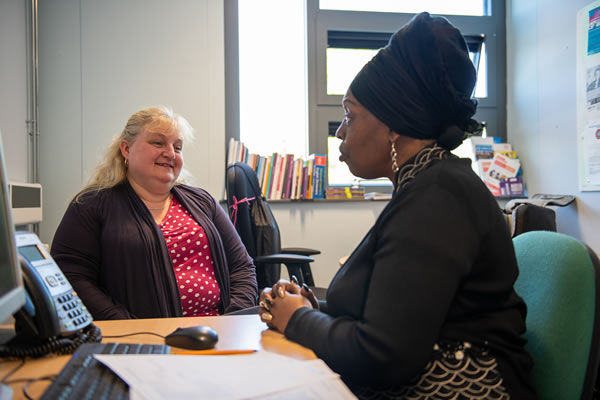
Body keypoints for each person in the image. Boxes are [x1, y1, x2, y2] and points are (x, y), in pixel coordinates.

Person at [258, 12, 535, 399]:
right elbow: (394, 311)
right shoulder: (424, 185)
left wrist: (298, 320)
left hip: (462, 387)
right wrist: (314, 309)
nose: (339, 131)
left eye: (349, 115)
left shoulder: (438, 196)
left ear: (393, 125)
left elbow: (382, 355)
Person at [51, 106, 258, 320]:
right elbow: (71, 275)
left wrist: (234, 319)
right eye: (158, 142)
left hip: (217, 333)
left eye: (177, 147)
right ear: (126, 149)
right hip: (138, 339)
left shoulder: (203, 202)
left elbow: (242, 267)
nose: (170, 153)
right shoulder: (90, 205)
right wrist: (125, 325)